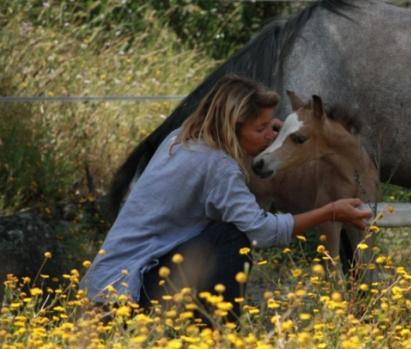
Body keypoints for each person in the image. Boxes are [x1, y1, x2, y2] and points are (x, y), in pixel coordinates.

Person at [79, 74, 371, 323]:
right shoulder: (219, 168)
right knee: (234, 236)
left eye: (272, 126)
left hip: (107, 281)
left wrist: (276, 134)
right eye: (261, 128)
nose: (270, 135)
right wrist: (329, 212)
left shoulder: (181, 139)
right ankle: (222, 333)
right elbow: (263, 231)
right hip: (128, 292)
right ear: (234, 125)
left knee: (222, 230)